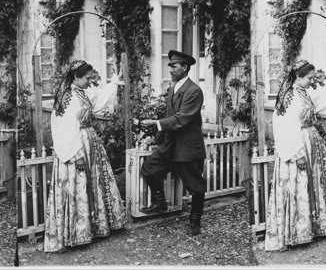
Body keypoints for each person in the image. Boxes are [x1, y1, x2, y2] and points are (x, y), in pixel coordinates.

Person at [44, 60, 127, 253]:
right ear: (76, 77)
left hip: (90, 143)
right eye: (87, 78)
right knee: (77, 184)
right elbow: (63, 128)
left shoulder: (81, 92)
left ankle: (95, 227)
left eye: (91, 77)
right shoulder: (67, 97)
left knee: (93, 183)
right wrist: (76, 155)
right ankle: (74, 234)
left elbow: (98, 99)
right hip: (76, 147)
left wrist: (115, 81)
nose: (91, 81)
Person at [265, 60, 326, 252]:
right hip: (298, 146)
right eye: (309, 78)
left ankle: (315, 226)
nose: (312, 81)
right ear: (298, 77)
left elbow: (322, 99)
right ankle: (296, 232)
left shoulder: (303, 93)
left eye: (312, 77)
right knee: (298, 183)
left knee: (314, 183)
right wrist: (297, 154)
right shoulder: (290, 96)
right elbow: (284, 128)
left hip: (311, 142)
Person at [139, 50, 207, 236]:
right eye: (170, 67)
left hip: (187, 147)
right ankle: (160, 203)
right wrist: (157, 138)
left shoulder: (194, 91)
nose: (171, 70)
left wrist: (155, 124)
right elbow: (170, 116)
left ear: (185, 67)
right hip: (170, 145)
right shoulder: (173, 89)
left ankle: (195, 222)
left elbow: (181, 119)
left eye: (174, 66)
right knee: (149, 168)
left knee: (195, 186)